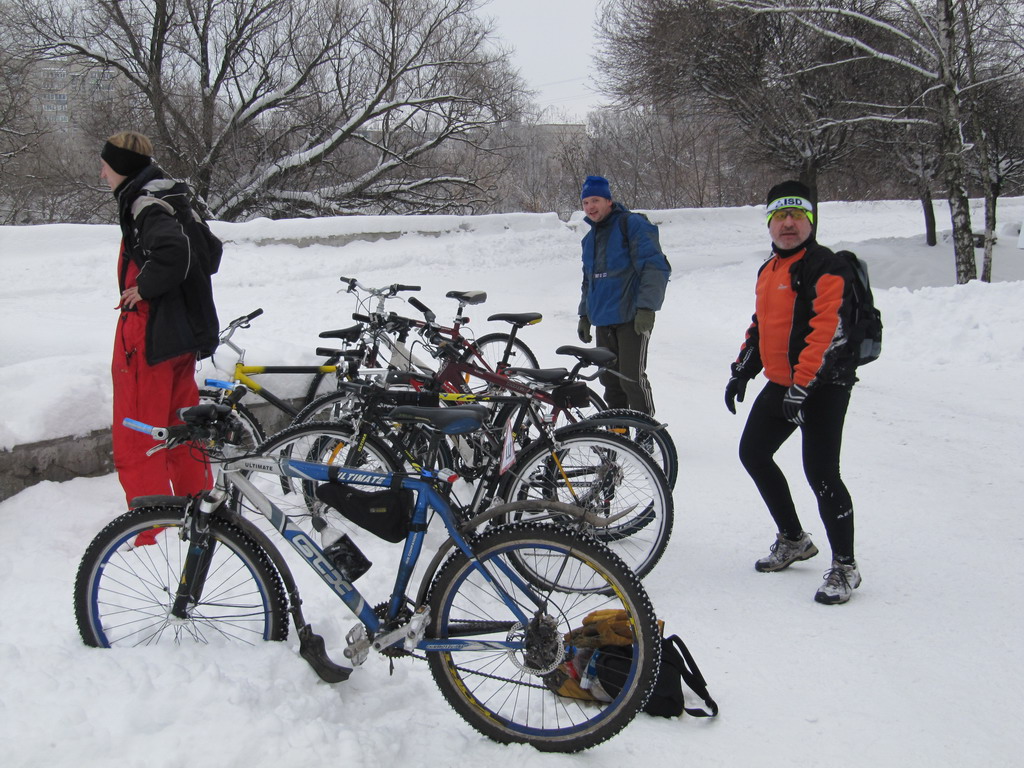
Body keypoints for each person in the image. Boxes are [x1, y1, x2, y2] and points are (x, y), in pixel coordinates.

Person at [724, 180, 862, 605]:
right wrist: (743, 371)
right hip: (785, 383)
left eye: (797, 215)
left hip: (824, 386)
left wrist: (802, 387)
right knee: (753, 453)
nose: (788, 223)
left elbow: (827, 332)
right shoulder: (770, 270)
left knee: (821, 473)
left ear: (810, 221)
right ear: (769, 223)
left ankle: (845, 566)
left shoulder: (827, 267)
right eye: (780, 216)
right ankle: (793, 539)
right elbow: (762, 326)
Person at [101, 131, 219, 507]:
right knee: (182, 432)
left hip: (149, 339)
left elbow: (174, 250)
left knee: (140, 436)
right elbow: (210, 251)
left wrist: (145, 287)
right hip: (181, 335)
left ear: (120, 167)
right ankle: (200, 513)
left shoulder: (143, 204)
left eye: (105, 166)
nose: (102, 174)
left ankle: (149, 525)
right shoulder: (173, 196)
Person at [577, 175, 671, 415]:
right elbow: (588, 281)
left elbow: (655, 267)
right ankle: (618, 430)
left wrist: (647, 308)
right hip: (603, 319)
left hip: (631, 317)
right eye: (586, 202)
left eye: (595, 200)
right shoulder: (589, 239)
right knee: (610, 381)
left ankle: (647, 430)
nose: (590, 207)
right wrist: (584, 315)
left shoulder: (631, 225)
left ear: (608, 201)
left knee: (631, 379)